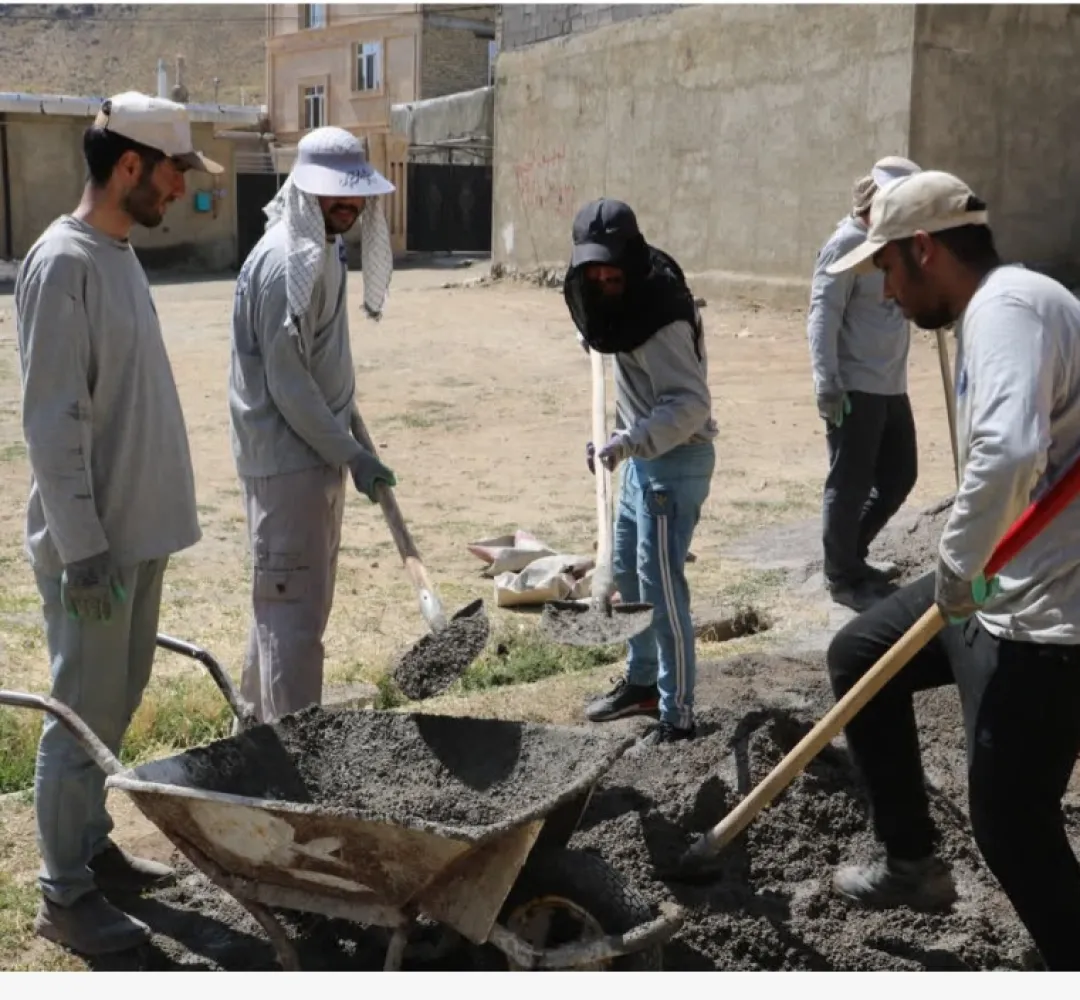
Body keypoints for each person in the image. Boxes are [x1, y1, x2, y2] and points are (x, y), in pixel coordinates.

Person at [823, 169, 1080, 972]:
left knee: (1011, 825)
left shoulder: (1007, 308)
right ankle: (912, 864)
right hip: (1004, 585)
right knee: (861, 653)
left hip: (1048, 619)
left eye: (888, 270)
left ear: (925, 250)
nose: (888, 294)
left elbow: (1007, 451)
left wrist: (956, 565)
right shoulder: (1002, 309)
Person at [13, 91, 220, 954]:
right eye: (174, 172)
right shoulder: (62, 263)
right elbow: (51, 423)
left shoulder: (117, 254)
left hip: (134, 536)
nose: (181, 190)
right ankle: (63, 895)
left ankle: (90, 851)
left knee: (116, 700)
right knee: (80, 714)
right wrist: (84, 549)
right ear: (130, 164)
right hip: (93, 551)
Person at [229, 126, 397, 724]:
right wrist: (352, 455)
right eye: (335, 196)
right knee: (293, 624)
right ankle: (298, 762)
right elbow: (290, 386)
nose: (347, 206)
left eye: (354, 195)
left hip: (314, 458)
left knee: (280, 612)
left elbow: (321, 362)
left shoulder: (324, 248)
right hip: (288, 464)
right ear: (306, 193)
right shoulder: (283, 264)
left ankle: (250, 746)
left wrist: (349, 433)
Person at [565, 198, 718, 745]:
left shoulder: (661, 317)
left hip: (674, 462)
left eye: (611, 266)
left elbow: (691, 404)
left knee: (660, 590)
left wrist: (631, 438)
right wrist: (618, 443)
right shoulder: (618, 303)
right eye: (593, 267)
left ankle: (678, 712)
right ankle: (642, 683)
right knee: (628, 577)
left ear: (631, 258)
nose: (603, 276)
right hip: (640, 461)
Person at [807, 155, 923, 612]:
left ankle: (852, 555)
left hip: (892, 383)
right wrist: (826, 380)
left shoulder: (893, 244)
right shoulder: (846, 244)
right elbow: (822, 315)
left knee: (900, 474)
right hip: (853, 385)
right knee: (849, 482)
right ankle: (842, 575)